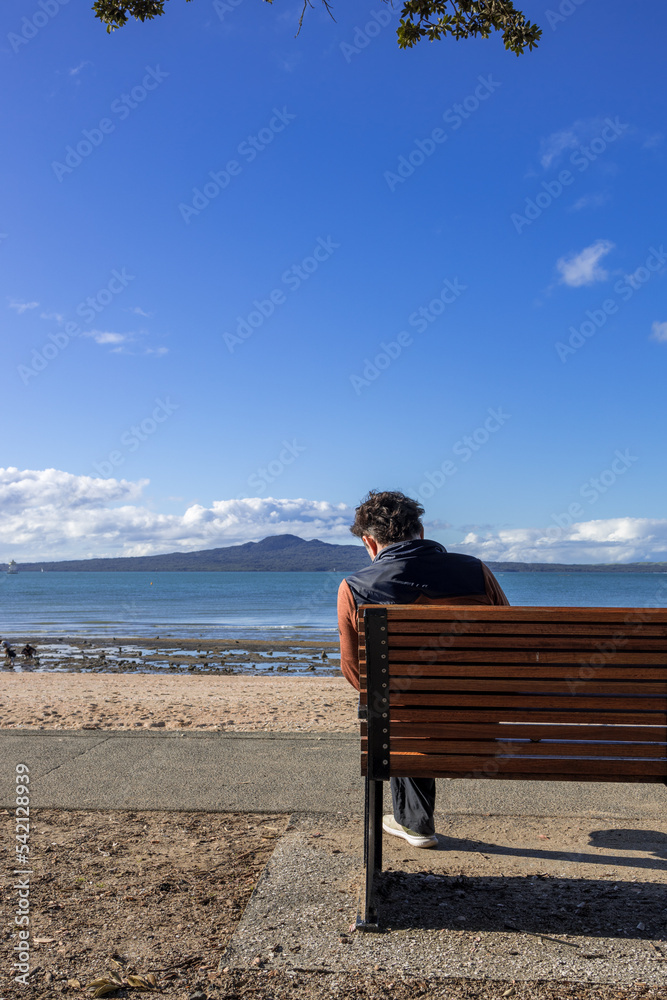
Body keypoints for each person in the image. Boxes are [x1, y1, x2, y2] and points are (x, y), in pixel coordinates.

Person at [337, 490, 509, 849]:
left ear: (370, 542)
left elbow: (356, 673)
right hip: (485, 723)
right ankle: (413, 821)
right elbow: (510, 642)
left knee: (390, 702)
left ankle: (415, 822)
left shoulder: (355, 588)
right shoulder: (475, 570)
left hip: (405, 724)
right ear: (422, 532)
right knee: (404, 701)